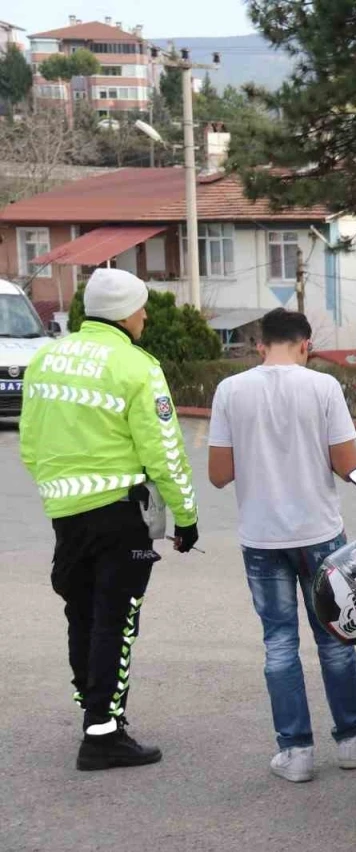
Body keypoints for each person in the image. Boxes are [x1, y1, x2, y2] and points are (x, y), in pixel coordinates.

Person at [19, 268, 200, 771]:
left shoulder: (46, 359)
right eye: (142, 308)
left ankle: (94, 713)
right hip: (121, 513)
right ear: (125, 313)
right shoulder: (136, 366)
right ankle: (103, 733)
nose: (145, 317)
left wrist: (58, 489)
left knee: (81, 613)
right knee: (116, 620)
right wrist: (186, 516)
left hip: (65, 512)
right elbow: (164, 451)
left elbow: (30, 442)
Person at [207, 308, 356, 782]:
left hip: (261, 538)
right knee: (335, 639)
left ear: (260, 346)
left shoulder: (230, 391)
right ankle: (351, 743)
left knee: (279, 643)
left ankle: (296, 753)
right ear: (306, 345)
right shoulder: (324, 387)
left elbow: (219, 474)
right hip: (321, 534)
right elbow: (348, 465)